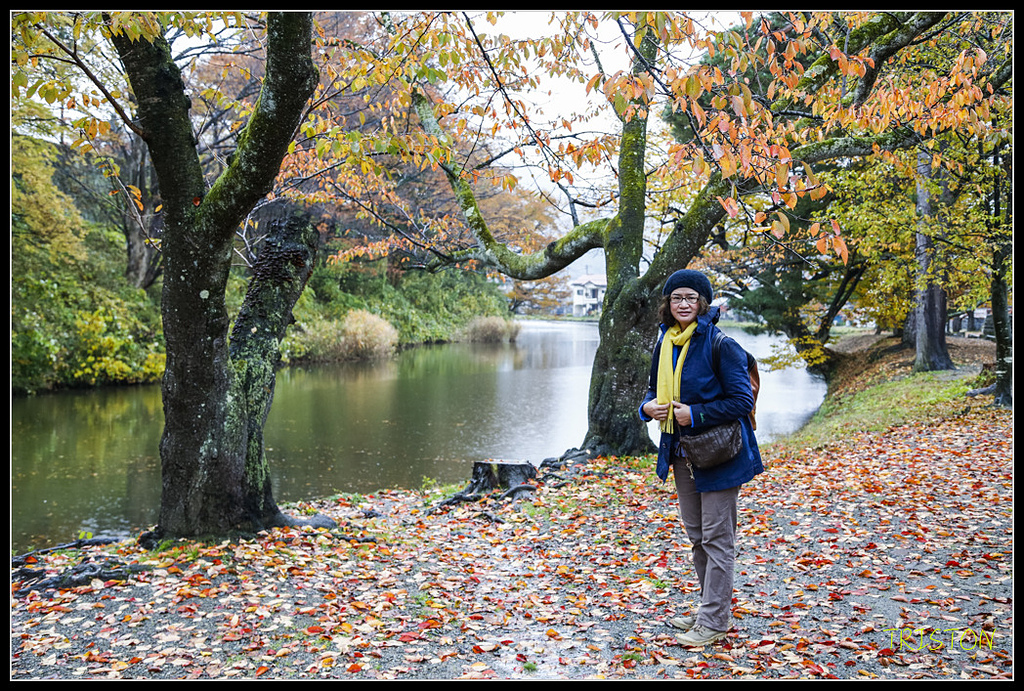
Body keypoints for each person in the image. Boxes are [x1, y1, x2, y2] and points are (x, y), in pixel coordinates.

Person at [639, 269, 763, 646]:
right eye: (676, 298)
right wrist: (648, 409)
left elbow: (741, 400)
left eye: (690, 298)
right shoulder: (665, 343)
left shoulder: (721, 344)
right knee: (697, 536)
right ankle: (708, 609)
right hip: (681, 452)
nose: (683, 304)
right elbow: (648, 392)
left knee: (717, 538)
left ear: (703, 303)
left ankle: (713, 622)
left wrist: (694, 414)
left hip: (721, 453)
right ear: (667, 303)